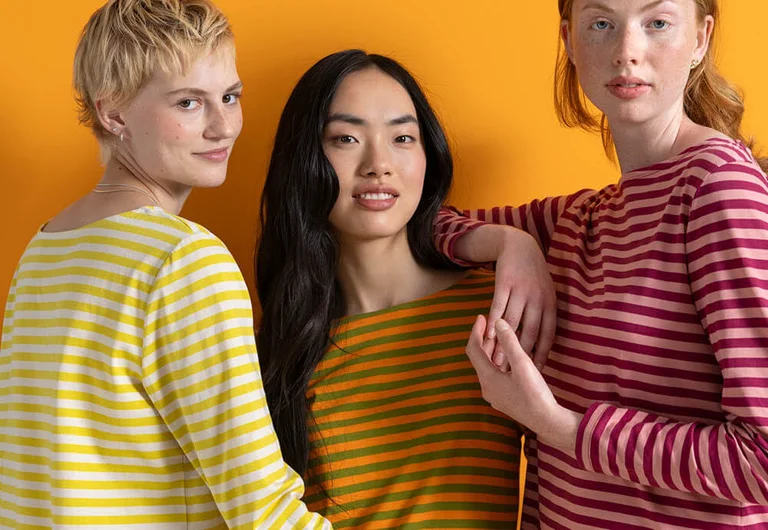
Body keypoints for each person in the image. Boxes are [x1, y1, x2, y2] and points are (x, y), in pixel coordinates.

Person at [436, 1, 768, 529]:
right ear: (569, 39)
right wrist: (510, 244)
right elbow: (429, 225)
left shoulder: (718, 190)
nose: (626, 52)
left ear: (701, 39)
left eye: (657, 23)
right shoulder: (584, 216)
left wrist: (557, 425)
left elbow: (761, 463)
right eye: (601, 24)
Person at [0, 1, 330, 528]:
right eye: (188, 103)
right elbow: (263, 510)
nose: (224, 126)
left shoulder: (44, 250)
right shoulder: (183, 260)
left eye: (230, 96)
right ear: (113, 114)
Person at [256, 49, 542, 528]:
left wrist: (516, 241)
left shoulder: (495, 313)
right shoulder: (281, 349)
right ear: (304, 160)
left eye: (402, 137)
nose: (379, 164)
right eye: (345, 138)